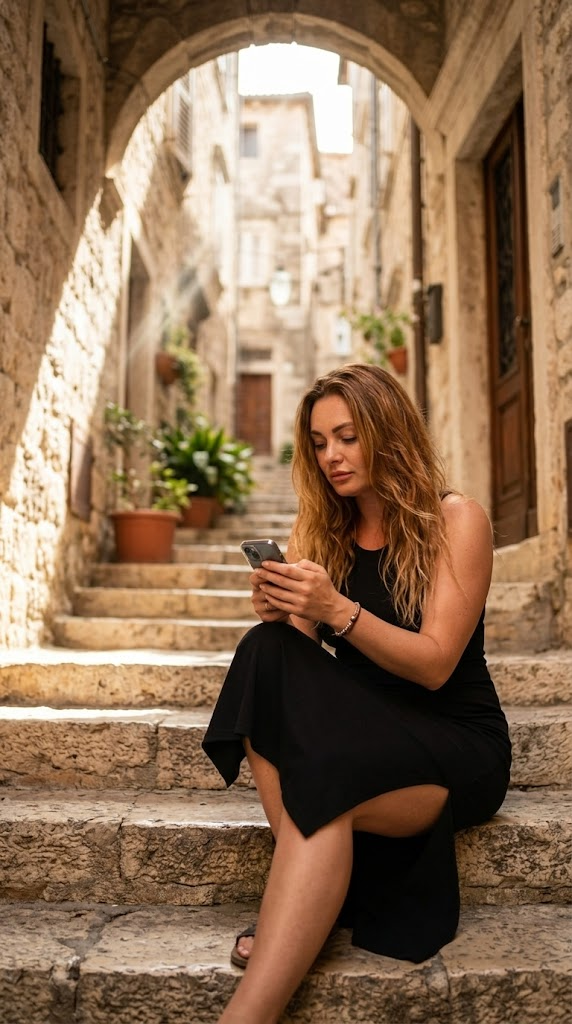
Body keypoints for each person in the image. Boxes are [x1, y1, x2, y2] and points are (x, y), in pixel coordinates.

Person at [202, 363, 511, 1024]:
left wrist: (336, 607)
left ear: (386, 429)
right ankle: (310, 890)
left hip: (451, 742)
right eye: (318, 442)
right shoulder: (326, 529)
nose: (332, 456)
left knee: (326, 784)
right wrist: (282, 609)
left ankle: (251, 1003)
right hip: (360, 740)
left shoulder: (456, 520)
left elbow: (434, 665)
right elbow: (299, 664)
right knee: (265, 654)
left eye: (346, 435)